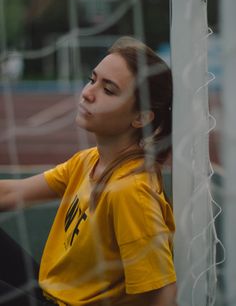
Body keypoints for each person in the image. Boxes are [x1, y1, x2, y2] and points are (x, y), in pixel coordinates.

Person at [0, 36, 177, 306]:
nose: (88, 92)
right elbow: (12, 193)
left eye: (109, 90)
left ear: (141, 117)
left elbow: (162, 294)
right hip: (50, 293)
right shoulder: (89, 161)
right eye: (92, 79)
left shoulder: (130, 191)